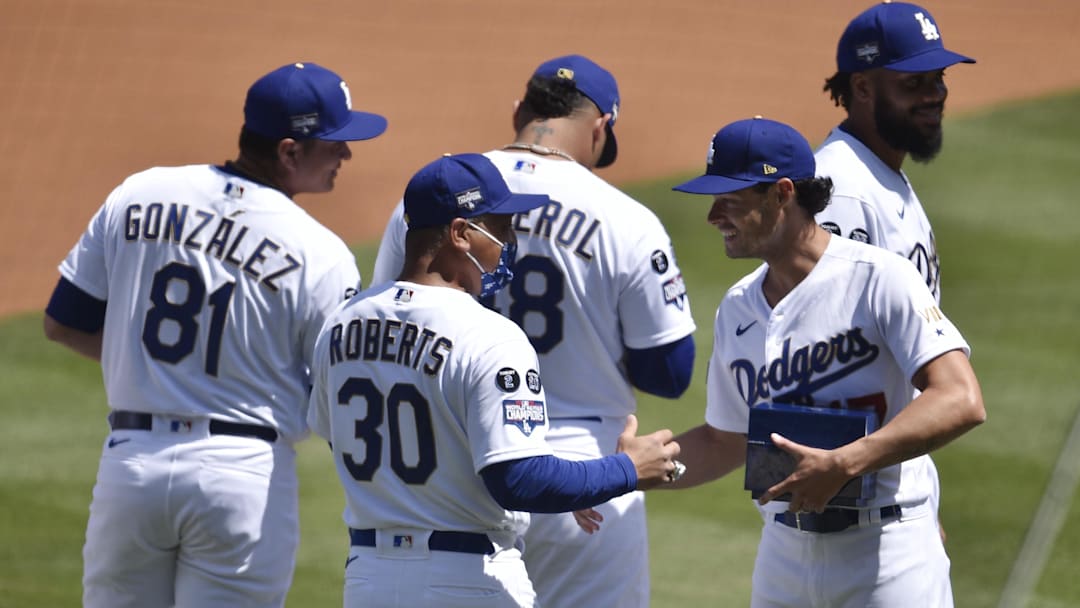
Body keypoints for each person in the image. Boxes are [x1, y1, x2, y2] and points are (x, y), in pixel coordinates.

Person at [43, 61, 387, 607]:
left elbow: (63, 321)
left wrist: (145, 368)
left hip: (131, 468)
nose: (346, 154)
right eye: (333, 142)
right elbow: (343, 393)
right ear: (288, 152)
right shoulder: (320, 253)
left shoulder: (140, 193)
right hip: (241, 478)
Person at [370, 54, 696, 607]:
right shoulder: (626, 218)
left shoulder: (431, 202)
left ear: (519, 110)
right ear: (600, 129)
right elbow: (669, 372)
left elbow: (395, 319)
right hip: (589, 471)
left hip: (457, 468)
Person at [306, 152, 684, 608]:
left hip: (369, 579)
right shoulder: (490, 335)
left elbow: (345, 442)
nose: (509, 243)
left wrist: (573, 481)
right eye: (501, 228)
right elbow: (518, 481)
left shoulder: (343, 323)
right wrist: (625, 471)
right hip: (467, 581)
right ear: (461, 234)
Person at [657, 117, 985, 606]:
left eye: (729, 199)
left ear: (781, 194)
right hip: (784, 556)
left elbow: (961, 398)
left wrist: (845, 463)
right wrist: (628, 470)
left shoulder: (880, 279)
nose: (712, 216)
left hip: (887, 553)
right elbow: (723, 440)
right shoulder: (738, 307)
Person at [815, 1, 976, 536]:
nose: (934, 95)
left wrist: (918, 493)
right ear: (863, 87)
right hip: (851, 508)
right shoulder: (840, 189)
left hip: (890, 489)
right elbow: (825, 356)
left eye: (938, 78)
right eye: (913, 82)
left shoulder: (884, 177)